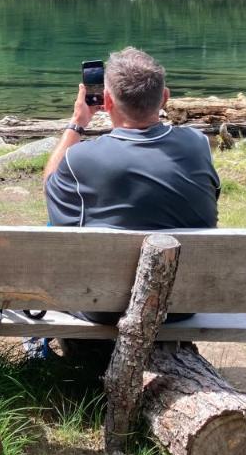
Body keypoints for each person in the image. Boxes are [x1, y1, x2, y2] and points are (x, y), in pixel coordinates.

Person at [43, 46, 220, 329]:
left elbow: (50, 187)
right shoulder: (197, 144)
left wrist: (77, 123)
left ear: (107, 101)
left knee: (55, 226)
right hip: (182, 305)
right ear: (164, 97)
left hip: (104, 308)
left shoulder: (81, 158)